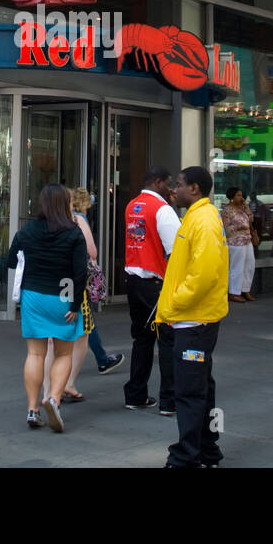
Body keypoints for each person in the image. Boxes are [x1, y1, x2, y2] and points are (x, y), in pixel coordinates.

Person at [157, 166, 228, 469]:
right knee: (200, 388)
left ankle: (186, 456)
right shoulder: (199, 217)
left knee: (189, 391)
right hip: (193, 318)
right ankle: (206, 450)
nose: (175, 189)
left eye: (180, 184)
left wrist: (176, 301)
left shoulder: (203, 220)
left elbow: (203, 275)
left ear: (195, 189)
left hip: (193, 320)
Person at [0, 183, 87, 432]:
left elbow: (9, 260)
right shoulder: (74, 233)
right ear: (64, 204)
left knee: (35, 354)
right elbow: (80, 273)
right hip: (63, 294)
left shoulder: (28, 230)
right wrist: (75, 303)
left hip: (33, 295)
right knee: (63, 353)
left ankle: (32, 409)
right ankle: (54, 399)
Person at [49, 188, 123, 404]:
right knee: (81, 332)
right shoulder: (77, 220)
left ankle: (47, 391)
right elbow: (91, 252)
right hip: (74, 283)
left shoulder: (46, 222)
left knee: (51, 340)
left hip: (48, 286)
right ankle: (67, 383)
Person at [122, 168, 180, 415]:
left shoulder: (133, 205)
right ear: (158, 182)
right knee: (168, 341)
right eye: (169, 184)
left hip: (133, 279)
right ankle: (169, 400)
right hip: (156, 282)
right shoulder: (162, 209)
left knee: (142, 339)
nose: (172, 189)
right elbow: (177, 250)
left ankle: (136, 394)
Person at [221, 187, 258, 303]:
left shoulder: (242, 208)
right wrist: (239, 227)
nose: (241, 198)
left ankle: (245, 289)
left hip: (247, 240)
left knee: (249, 266)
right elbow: (225, 229)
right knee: (237, 268)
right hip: (235, 242)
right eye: (238, 195)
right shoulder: (227, 211)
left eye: (241, 195)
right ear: (231, 198)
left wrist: (246, 209)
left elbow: (251, 220)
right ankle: (234, 292)